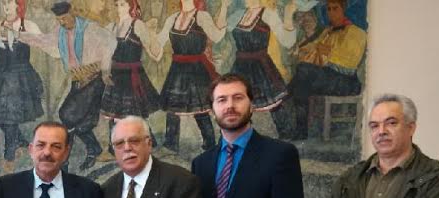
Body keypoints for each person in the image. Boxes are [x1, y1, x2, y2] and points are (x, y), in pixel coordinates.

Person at [17, 2, 115, 171]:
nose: (62, 23)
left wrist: (105, 69)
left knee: (67, 114)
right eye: (59, 20)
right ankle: (94, 150)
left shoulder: (89, 28)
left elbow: (110, 41)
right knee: (81, 122)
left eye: (64, 18)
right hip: (77, 80)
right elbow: (43, 40)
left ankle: (64, 162)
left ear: (72, 13)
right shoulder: (60, 31)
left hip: (94, 80)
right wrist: (18, 35)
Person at [278, 0, 366, 140]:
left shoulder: (357, 33)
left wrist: (325, 51)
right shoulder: (327, 31)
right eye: (329, 9)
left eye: (335, 8)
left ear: (343, 10)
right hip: (328, 78)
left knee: (303, 71)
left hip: (347, 81)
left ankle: (285, 97)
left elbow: (349, 62)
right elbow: (313, 46)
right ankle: (300, 129)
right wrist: (299, 50)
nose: (331, 13)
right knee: (302, 81)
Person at [0, 0, 44, 165]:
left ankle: (9, 158)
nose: (6, 7)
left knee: (10, 117)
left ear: (19, 6)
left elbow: (46, 45)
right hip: (3, 78)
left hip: (23, 77)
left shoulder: (29, 25)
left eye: (10, 3)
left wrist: (25, 37)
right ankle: (21, 141)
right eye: (3, 3)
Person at [157, 0, 229, 154]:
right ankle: (170, 144)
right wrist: (148, 32)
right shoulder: (172, 19)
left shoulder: (201, 16)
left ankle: (210, 143)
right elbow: (159, 42)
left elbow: (217, 37)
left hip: (197, 69)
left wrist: (223, 8)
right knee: (173, 107)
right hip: (177, 68)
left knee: (199, 108)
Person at [223, 0, 297, 136]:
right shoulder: (238, 14)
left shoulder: (268, 14)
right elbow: (220, 33)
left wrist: (288, 17)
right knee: (239, 104)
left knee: (273, 102)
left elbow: (288, 41)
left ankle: (286, 135)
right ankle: (241, 136)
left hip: (261, 66)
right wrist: (223, 8)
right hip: (240, 67)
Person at [101, 0, 164, 146]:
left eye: (122, 4)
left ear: (131, 6)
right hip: (116, 75)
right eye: (117, 5)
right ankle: (114, 145)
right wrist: (105, 72)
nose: (118, 8)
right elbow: (106, 54)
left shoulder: (137, 25)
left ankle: (149, 142)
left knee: (136, 111)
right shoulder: (112, 27)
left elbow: (153, 52)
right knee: (114, 113)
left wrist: (153, 37)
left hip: (132, 75)